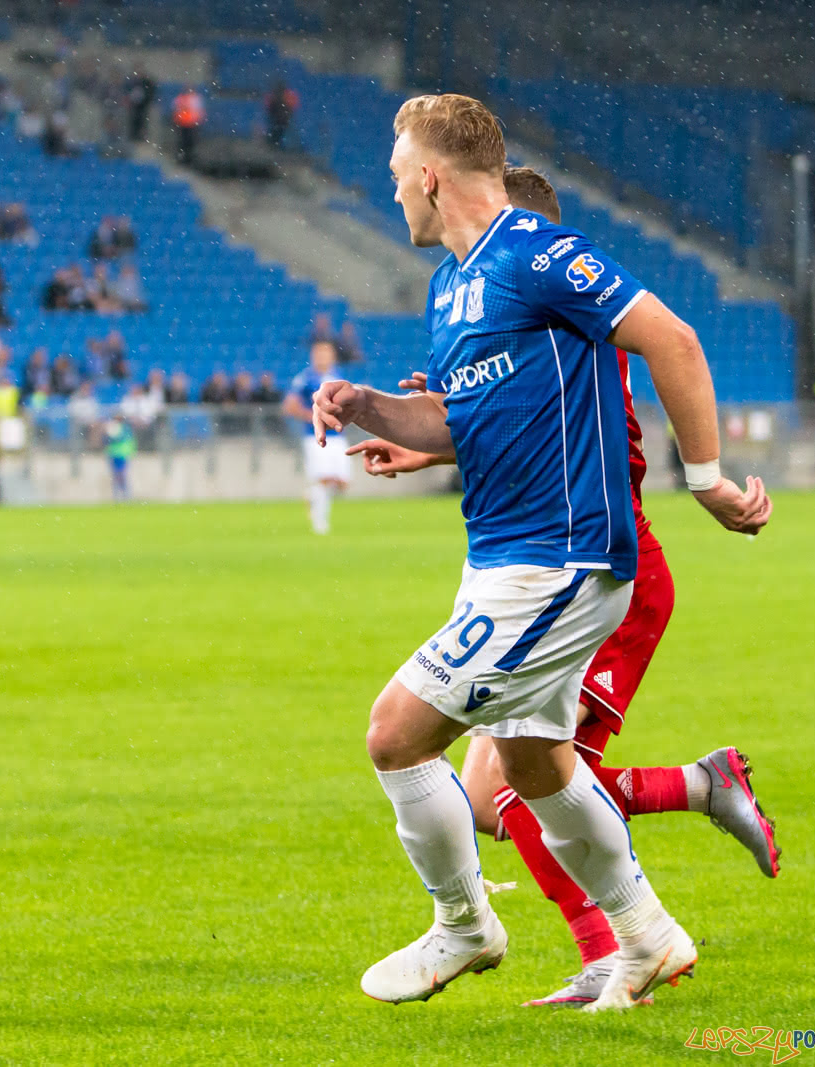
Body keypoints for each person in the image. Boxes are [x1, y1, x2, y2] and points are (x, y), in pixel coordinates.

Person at [311, 95, 772, 1010]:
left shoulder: (535, 253)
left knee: (395, 735)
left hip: (559, 560)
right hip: (504, 558)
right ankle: (644, 936)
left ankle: (465, 924)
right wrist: (368, 405)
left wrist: (709, 478)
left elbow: (673, 339)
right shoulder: (454, 283)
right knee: (531, 764)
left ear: (432, 176)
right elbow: (460, 413)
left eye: (399, 171)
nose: (393, 187)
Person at [282, 341, 348, 535]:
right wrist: (313, 417)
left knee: (342, 482)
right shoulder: (305, 379)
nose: (323, 358)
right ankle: (320, 524)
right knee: (324, 479)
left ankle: (311, 495)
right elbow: (289, 405)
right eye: (319, 354)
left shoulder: (338, 377)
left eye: (326, 354)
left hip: (337, 436)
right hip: (315, 436)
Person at [171, 85, 205, 166]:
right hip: (182, 124)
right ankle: (182, 160)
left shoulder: (195, 99)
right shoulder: (180, 98)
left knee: (190, 143)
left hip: (192, 124)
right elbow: (175, 109)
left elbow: (199, 111)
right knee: (182, 143)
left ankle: (189, 160)